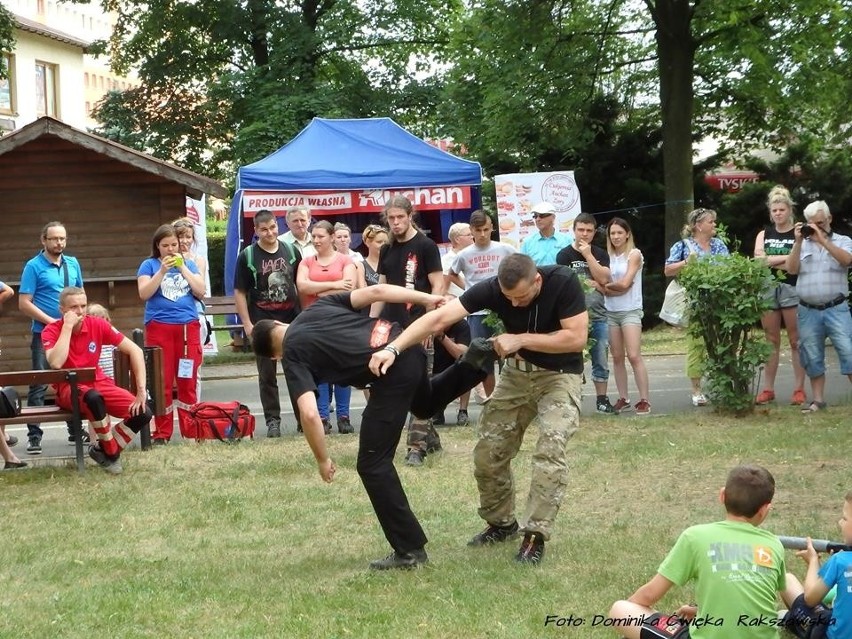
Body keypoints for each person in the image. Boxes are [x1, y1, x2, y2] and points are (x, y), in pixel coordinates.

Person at [250, 284, 488, 570]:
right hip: (404, 344)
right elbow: (376, 292)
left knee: (372, 464)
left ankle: (409, 550)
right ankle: (475, 364)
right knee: (423, 406)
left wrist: (323, 459)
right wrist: (428, 298)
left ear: (274, 356)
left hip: (389, 371)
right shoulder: (315, 308)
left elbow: (310, 414)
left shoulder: (291, 355)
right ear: (280, 323)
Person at [370, 253, 588, 564]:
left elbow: (576, 338)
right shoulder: (493, 289)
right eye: (508, 298)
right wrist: (394, 347)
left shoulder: (563, 282)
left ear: (536, 280)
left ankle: (534, 535)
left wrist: (519, 339)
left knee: (549, 452)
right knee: (488, 452)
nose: (513, 305)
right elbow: (439, 318)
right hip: (515, 375)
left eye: (521, 297)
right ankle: (501, 523)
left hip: (559, 377)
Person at [608, 464, 808, 639]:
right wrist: (701, 611)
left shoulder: (695, 536)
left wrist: (634, 611)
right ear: (765, 509)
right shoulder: (773, 545)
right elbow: (747, 600)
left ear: (722, 495)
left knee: (620, 610)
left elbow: (649, 595)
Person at [43, 287, 152, 474]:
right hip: (70, 388)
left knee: (143, 412)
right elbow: (56, 362)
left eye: (83, 305)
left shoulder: (97, 324)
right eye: (74, 307)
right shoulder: (51, 330)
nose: (80, 311)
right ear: (62, 310)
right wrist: (67, 327)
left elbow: (136, 350)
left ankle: (103, 449)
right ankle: (112, 454)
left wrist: (141, 391)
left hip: (99, 383)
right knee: (93, 398)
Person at [372, 195, 444, 466]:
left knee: (420, 382)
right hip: (391, 326)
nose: (395, 222)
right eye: (391, 218)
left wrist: (431, 320)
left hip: (418, 323)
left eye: (400, 217)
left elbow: (438, 285)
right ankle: (430, 437)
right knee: (400, 385)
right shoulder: (387, 248)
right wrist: (371, 321)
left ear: (410, 215)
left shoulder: (425, 246)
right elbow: (380, 289)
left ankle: (416, 447)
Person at [18, 221, 84, 454]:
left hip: (71, 331)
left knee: (71, 380)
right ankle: (34, 436)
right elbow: (24, 303)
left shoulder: (73, 263)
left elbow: (80, 297)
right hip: (44, 332)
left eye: (63, 238)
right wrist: (53, 322)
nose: (59, 243)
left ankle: (75, 431)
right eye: (55, 238)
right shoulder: (33, 266)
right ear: (43, 240)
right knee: (40, 382)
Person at [234, 209, 301, 437]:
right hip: (262, 323)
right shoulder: (248, 255)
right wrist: (247, 324)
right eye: (264, 229)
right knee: (267, 376)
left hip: (291, 321)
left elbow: (300, 284)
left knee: (296, 372)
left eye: (273, 227)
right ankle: (273, 421)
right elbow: (240, 292)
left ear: (278, 226)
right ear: (256, 230)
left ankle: (304, 418)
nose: (270, 232)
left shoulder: (292, 251)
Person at [137, 224, 206, 444]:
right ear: (157, 246)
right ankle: (162, 432)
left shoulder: (190, 264)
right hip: (159, 327)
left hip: (187, 327)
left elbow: (201, 290)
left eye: (174, 245)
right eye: (165, 245)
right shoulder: (148, 265)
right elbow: (144, 293)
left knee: (187, 379)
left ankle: (190, 430)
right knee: (162, 380)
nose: (170, 249)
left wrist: (183, 268)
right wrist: (162, 271)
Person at [786, 200, 852, 414]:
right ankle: (818, 400)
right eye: (812, 223)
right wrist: (797, 243)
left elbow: (847, 260)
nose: (816, 227)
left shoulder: (843, 241)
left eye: (821, 222)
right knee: (812, 356)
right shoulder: (801, 243)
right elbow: (791, 270)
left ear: (830, 219)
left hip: (836, 307)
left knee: (849, 352)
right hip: (808, 310)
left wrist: (823, 241)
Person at [664, 208, 729, 407]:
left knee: (722, 344)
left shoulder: (718, 245)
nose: (714, 225)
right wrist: (686, 263)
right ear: (698, 225)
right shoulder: (683, 245)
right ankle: (697, 391)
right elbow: (667, 270)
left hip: (718, 302)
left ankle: (722, 386)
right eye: (711, 222)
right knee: (697, 346)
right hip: (694, 304)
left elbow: (729, 268)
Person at [296, 220, 357, 434]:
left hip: (340, 322)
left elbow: (348, 289)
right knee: (319, 371)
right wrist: (333, 284)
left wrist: (319, 290)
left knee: (342, 369)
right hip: (313, 324)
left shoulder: (345, 260)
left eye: (320, 236)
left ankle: (343, 416)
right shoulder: (306, 262)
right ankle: (322, 417)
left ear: (332, 237)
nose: (316, 240)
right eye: (313, 236)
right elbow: (302, 286)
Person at [449, 210, 516, 399]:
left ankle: (509, 398)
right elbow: (451, 274)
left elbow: (521, 267)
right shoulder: (464, 254)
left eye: (486, 229)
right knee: (483, 359)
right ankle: (491, 399)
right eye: (478, 230)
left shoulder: (505, 249)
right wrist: (469, 291)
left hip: (504, 310)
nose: (483, 234)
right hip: (477, 313)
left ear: (492, 227)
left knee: (508, 356)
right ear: (471, 231)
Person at [754, 186, 807, 406]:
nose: (778, 213)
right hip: (768, 287)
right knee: (771, 340)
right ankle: (768, 388)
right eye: (774, 210)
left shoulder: (798, 233)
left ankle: (799, 389)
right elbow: (758, 261)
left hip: (792, 287)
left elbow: (799, 263)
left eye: (781, 210)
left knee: (796, 341)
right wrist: (786, 259)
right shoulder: (764, 234)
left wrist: (774, 259)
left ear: (789, 210)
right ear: (770, 213)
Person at [556, 213, 614, 414]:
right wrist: (586, 283)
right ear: (574, 230)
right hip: (573, 318)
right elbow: (564, 285)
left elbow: (605, 279)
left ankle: (602, 400)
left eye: (589, 230)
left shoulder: (600, 253)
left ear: (594, 232)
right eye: (581, 230)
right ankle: (573, 401)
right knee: (572, 361)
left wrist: (588, 255)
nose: (585, 234)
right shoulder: (564, 255)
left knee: (601, 358)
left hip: (598, 315)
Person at [603, 218, 650, 415]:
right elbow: (613, 285)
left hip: (630, 309)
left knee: (633, 355)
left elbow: (625, 283)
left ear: (627, 234)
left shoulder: (634, 254)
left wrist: (607, 287)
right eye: (612, 233)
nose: (615, 237)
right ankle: (624, 398)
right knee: (616, 357)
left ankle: (644, 399)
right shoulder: (607, 257)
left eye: (619, 233)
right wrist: (612, 287)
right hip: (611, 311)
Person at [433, 221, 474, 425]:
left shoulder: (473, 254)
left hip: (467, 315)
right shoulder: (447, 260)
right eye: (469, 234)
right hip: (450, 311)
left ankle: (462, 410)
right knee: (438, 365)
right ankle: (436, 409)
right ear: (458, 238)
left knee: (466, 361)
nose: (473, 236)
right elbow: (443, 287)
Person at [796, 491, 852, 639]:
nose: (840, 522)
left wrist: (813, 561)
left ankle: (789, 618)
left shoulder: (840, 560)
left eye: (844, 518)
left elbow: (810, 598)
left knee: (817, 613)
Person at [520, 201, 572, 266]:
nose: (538, 219)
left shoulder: (568, 240)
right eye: (535, 216)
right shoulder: (527, 243)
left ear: (553, 217)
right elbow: (523, 268)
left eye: (542, 215)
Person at [333, 222, 366, 289]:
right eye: (339, 237)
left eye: (345, 236)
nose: (343, 240)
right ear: (333, 240)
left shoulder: (357, 256)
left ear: (350, 239)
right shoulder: (330, 258)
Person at [361, 224, 389, 289]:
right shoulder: (361, 265)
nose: (383, 245)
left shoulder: (391, 263)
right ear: (367, 243)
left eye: (386, 242)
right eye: (379, 242)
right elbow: (362, 291)